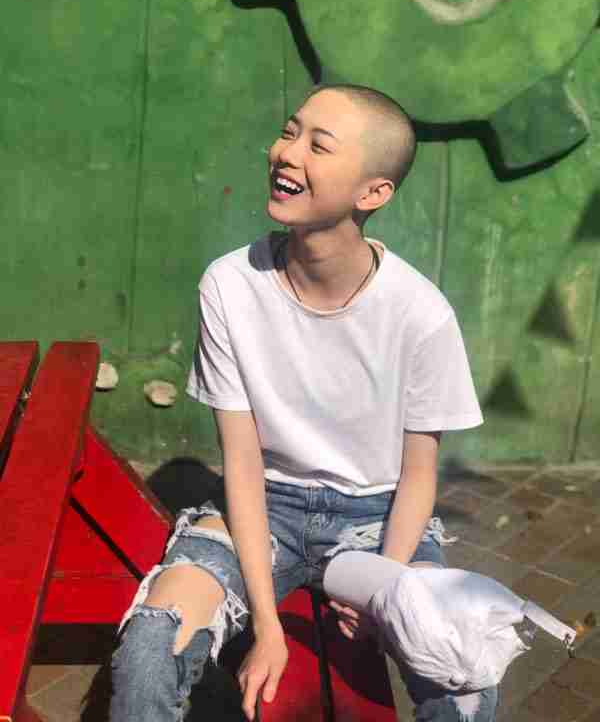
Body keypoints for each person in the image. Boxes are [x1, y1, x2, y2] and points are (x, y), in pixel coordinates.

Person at [110, 84, 498, 722]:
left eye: (319, 145)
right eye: (289, 132)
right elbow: (241, 462)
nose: (286, 153)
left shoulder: (421, 314)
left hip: (380, 516)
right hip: (268, 505)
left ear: (373, 193)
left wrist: (384, 586)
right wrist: (266, 628)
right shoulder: (231, 285)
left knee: (465, 682)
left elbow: (418, 475)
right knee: (153, 643)